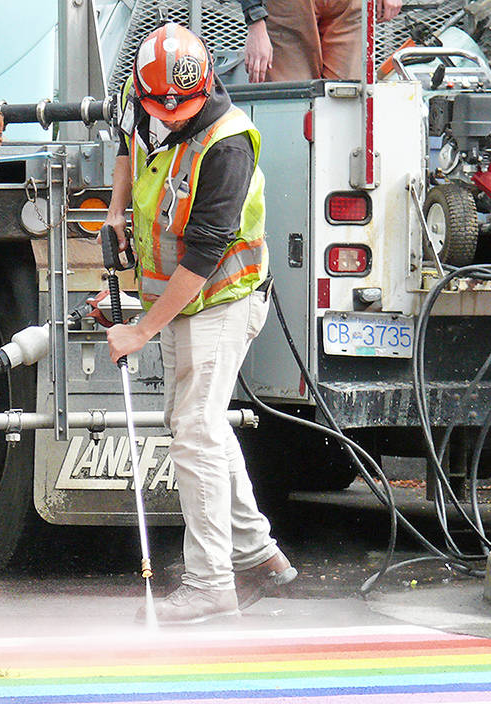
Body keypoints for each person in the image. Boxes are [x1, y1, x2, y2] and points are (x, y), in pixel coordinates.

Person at [104, 22, 295, 624]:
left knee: (194, 429)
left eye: (183, 106)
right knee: (202, 425)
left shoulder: (229, 144)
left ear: (203, 86)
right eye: (161, 106)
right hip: (183, 299)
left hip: (221, 299)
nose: (172, 116)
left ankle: (211, 581)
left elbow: (204, 253)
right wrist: (114, 210)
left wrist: (140, 329)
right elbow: (128, 148)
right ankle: (260, 556)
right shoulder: (145, 104)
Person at [239, 0, 403, 83]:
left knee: (348, 96)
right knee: (293, 98)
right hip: (289, 8)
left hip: (347, 7)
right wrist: (256, 23)